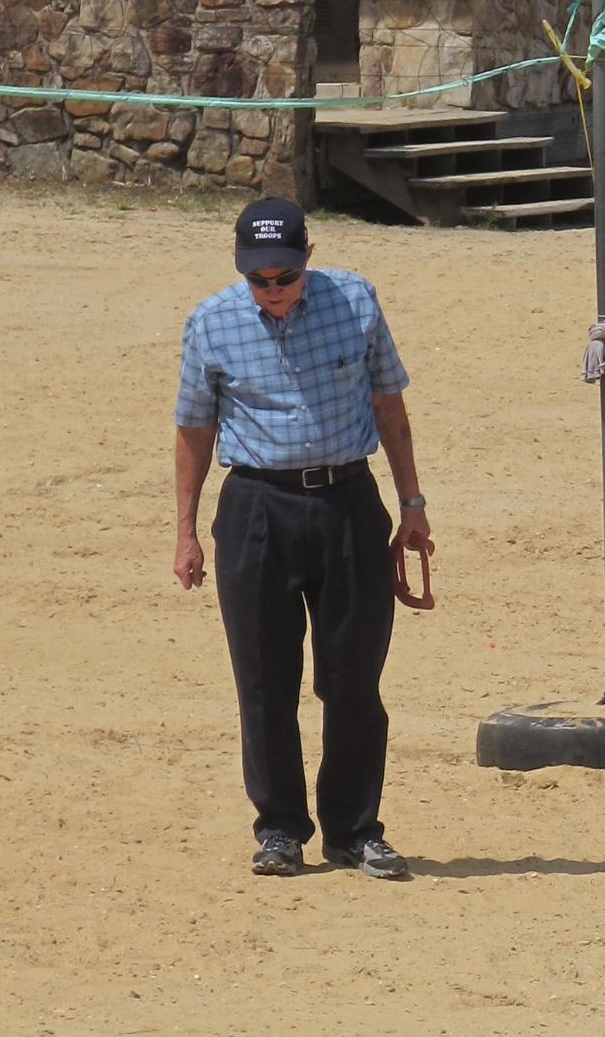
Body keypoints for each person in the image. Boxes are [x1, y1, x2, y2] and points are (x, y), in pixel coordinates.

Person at [173, 196, 436, 879]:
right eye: (259, 279)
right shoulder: (211, 323)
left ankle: (354, 829)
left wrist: (412, 503)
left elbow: (389, 404)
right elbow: (194, 430)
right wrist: (186, 533)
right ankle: (280, 829)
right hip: (256, 505)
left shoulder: (356, 301)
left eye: (284, 277)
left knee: (353, 678)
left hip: (348, 499)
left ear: (307, 260)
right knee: (264, 681)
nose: (273, 292)